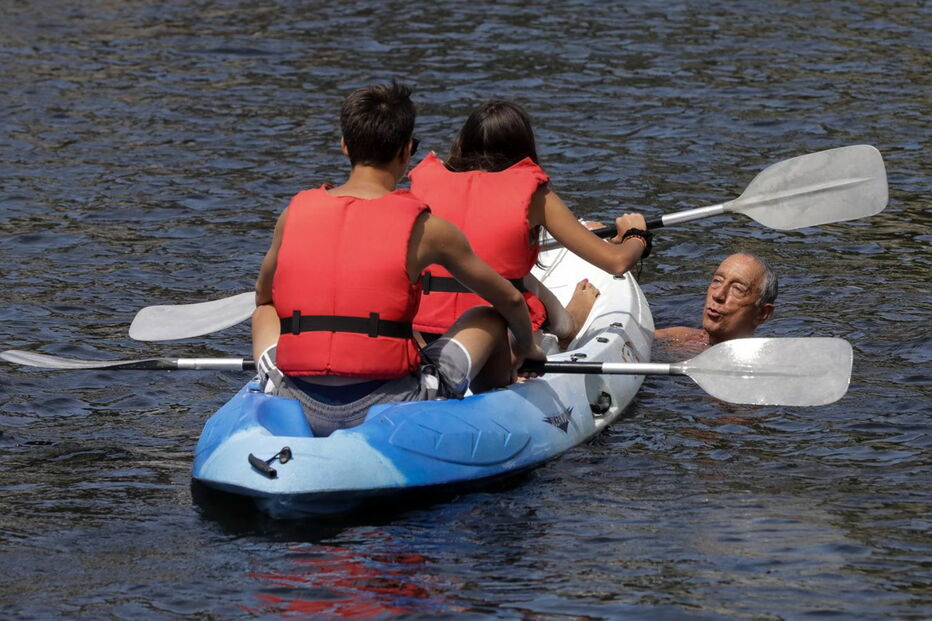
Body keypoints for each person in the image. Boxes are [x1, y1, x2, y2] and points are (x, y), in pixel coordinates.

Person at [251, 83, 545, 437]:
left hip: (295, 396)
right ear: (407, 151)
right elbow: (511, 298)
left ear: (345, 145)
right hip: (394, 402)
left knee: (264, 312)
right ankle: (496, 403)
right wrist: (528, 349)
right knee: (489, 313)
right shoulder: (427, 229)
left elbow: (264, 295)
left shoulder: (292, 214)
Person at [407, 100, 650, 349]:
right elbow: (617, 262)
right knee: (518, 278)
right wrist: (635, 235)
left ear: (463, 142)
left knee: (515, 275)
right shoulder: (535, 195)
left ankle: (566, 324)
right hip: (500, 336)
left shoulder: (423, 186)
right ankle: (569, 325)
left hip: (424, 332)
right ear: (523, 147)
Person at [655, 252, 777, 350]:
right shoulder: (679, 337)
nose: (718, 295)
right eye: (717, 281)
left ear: (762, 314)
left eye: (737, 289)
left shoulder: (761, 364)